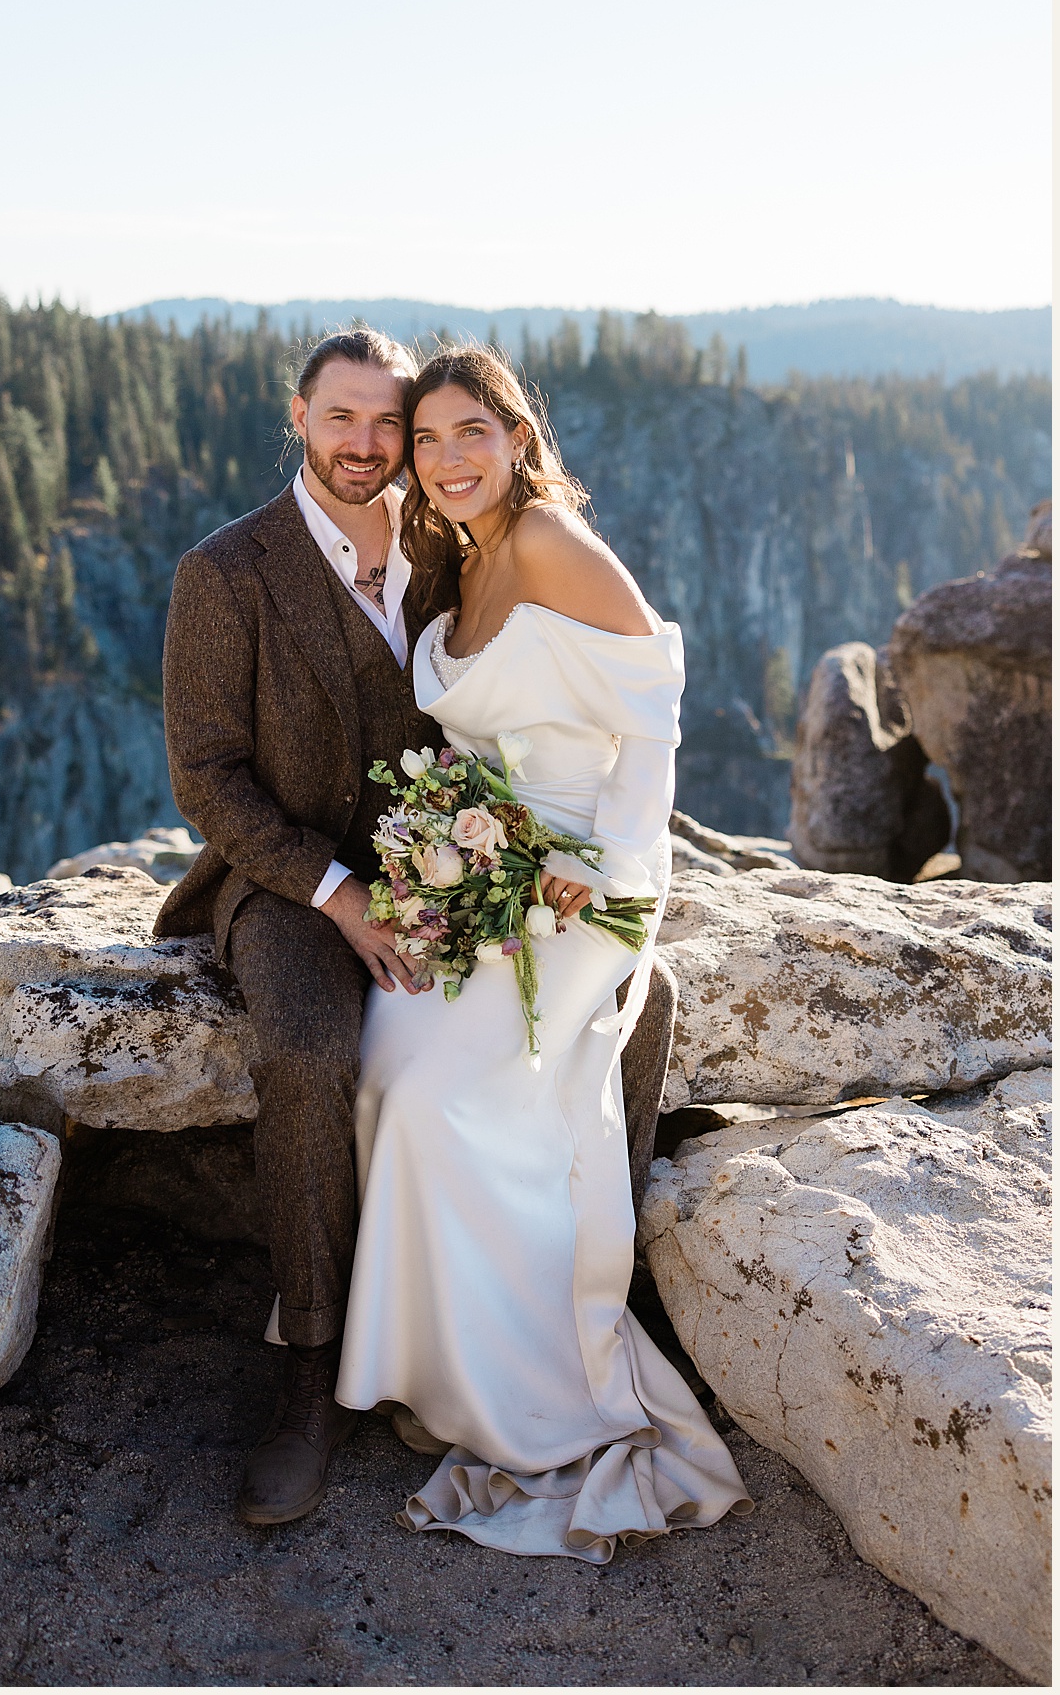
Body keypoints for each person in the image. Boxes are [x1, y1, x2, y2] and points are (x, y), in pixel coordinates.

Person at [154, 328, 679, 1529]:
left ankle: (555, 1315)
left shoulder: (449, 546)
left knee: (629, 1017)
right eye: (346, 419)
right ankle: (308, 1374)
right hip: (290, 880)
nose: (372, 446)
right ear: (298, 417)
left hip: (454, 872)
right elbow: (207, 776)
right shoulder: (226, 571)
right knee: (310, 1050)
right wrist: (336, 890)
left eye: (390, 424)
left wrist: (569, 876)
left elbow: (562, 703)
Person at [335, 343, 751, 1561]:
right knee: (386, 1059)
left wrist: (611, 865)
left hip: (584, 886)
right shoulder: (454, 559)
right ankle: (437, 1369)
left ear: (517, 436)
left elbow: (654, 704)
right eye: (426, 440)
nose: (447, 458)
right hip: (498, 871)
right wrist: (444, 853)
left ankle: (524, 1391)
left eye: (472, 432)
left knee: (450, 1096)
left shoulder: (551, 541)